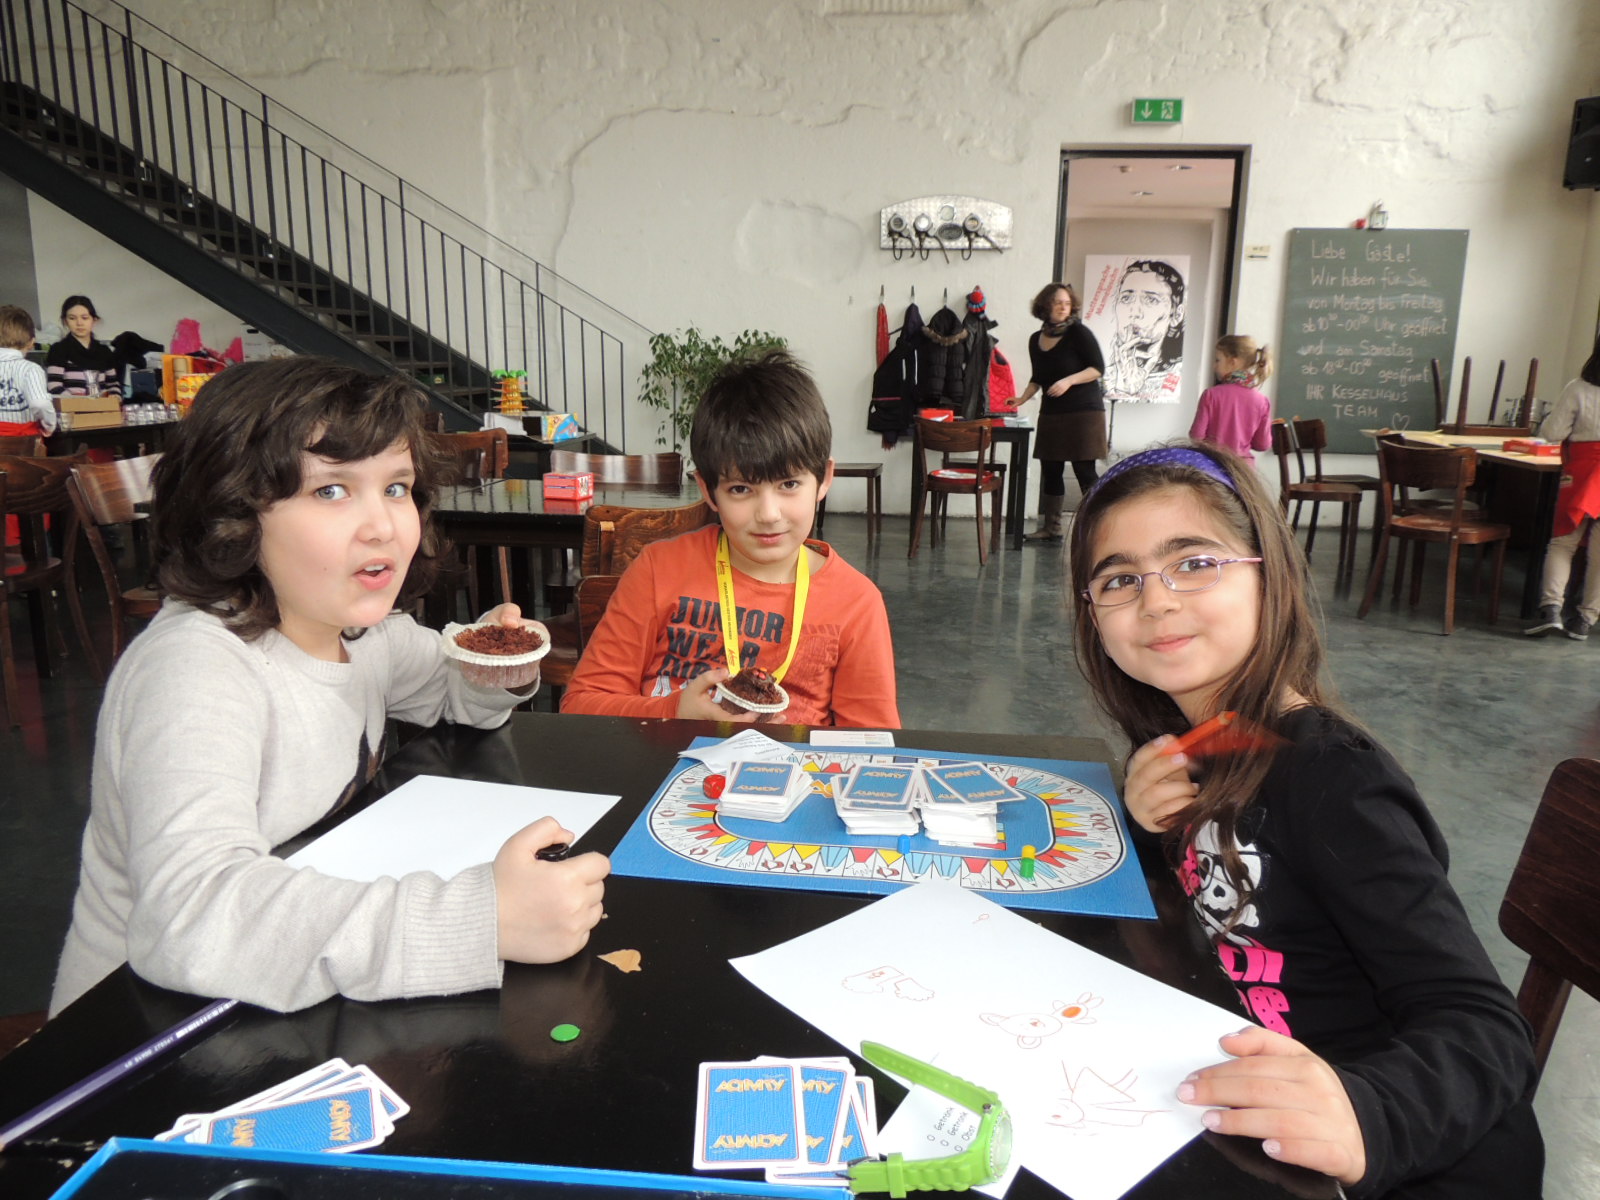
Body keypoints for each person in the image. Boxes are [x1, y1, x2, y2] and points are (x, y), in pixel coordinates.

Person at [51, 357, 609, 1016]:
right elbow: (190, 912)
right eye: (331, 491)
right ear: (232, 513)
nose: (383, 526)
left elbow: (449, 692)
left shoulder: (361, 633)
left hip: (280, 991)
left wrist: (494, 664)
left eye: (396, 487)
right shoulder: (193, 670)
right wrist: (479, 921)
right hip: (135, 1031)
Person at [1068, 443, 1542, 1198]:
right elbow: (1212, 904)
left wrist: (1369, 1116)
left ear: (1269, 575)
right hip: (1249, 1115)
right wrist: (1149, 829)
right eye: (1120, 579)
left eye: (1194, 562)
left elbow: (1484, 1026)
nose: (1156, 600)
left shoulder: (1333, 777)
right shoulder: (1200, 745)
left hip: (1393, 1157)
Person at [562, 350, 899, 728]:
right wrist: (674, 712)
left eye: (789, 484)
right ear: (708, 490)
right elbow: (580, 706)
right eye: (741, 489)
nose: (768, 514)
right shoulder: (659, 569)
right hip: (661, 762)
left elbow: (873, 744)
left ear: (824, 479)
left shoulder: (857, 604)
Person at [1010, 283, 1105, 542]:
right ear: (1045, 306)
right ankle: (1052, 529)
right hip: (1052, 413)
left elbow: (1097, 368)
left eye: (1067, 302)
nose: (1064, 307)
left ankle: (1099, 529)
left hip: (1084, 413)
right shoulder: (1036, 339)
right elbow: (1038, 377)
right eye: (1057, 302)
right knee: (1051, 470)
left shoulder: (1079, 333)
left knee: (1084, 471)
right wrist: (1022, 398)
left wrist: (1069, 381)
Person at [1525, 337, 1600, 641]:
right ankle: (1585, 619)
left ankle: (1551, 610)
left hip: (1582, 472)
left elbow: (1552, 432)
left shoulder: (1578, 388)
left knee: (1563, 542)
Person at [1103, 260, 1185, 403]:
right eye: (1126, 298)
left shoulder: (1179, 376)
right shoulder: (1103, 377)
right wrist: (1123, 389)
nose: (1134, 312)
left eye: (1151, 300)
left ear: (1176, 315)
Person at [1189, 335, 1272, 464]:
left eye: (1217, 360)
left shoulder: (1211, 395)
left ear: (1233, 362)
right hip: (1244, 470)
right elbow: (1263, 444)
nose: (1214, 366)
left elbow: (1196, 436)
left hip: (1214, 466)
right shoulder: (1262, 401)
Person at [45, 295, 120, 400]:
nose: (79, 323)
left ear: (94, 320)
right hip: (72, 408)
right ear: (65, 321)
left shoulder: (104, 351)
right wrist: (80, 403)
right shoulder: (58, 350)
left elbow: (113, 384)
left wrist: (115, 396)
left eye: (84, 318)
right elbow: (54, 386)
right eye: (72, 318)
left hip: (103, 407)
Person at [0, 305, 57, 437]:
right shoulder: (30, 369)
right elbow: (40, 403)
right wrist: (49, 425)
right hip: (21, 442)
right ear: (31, 342)